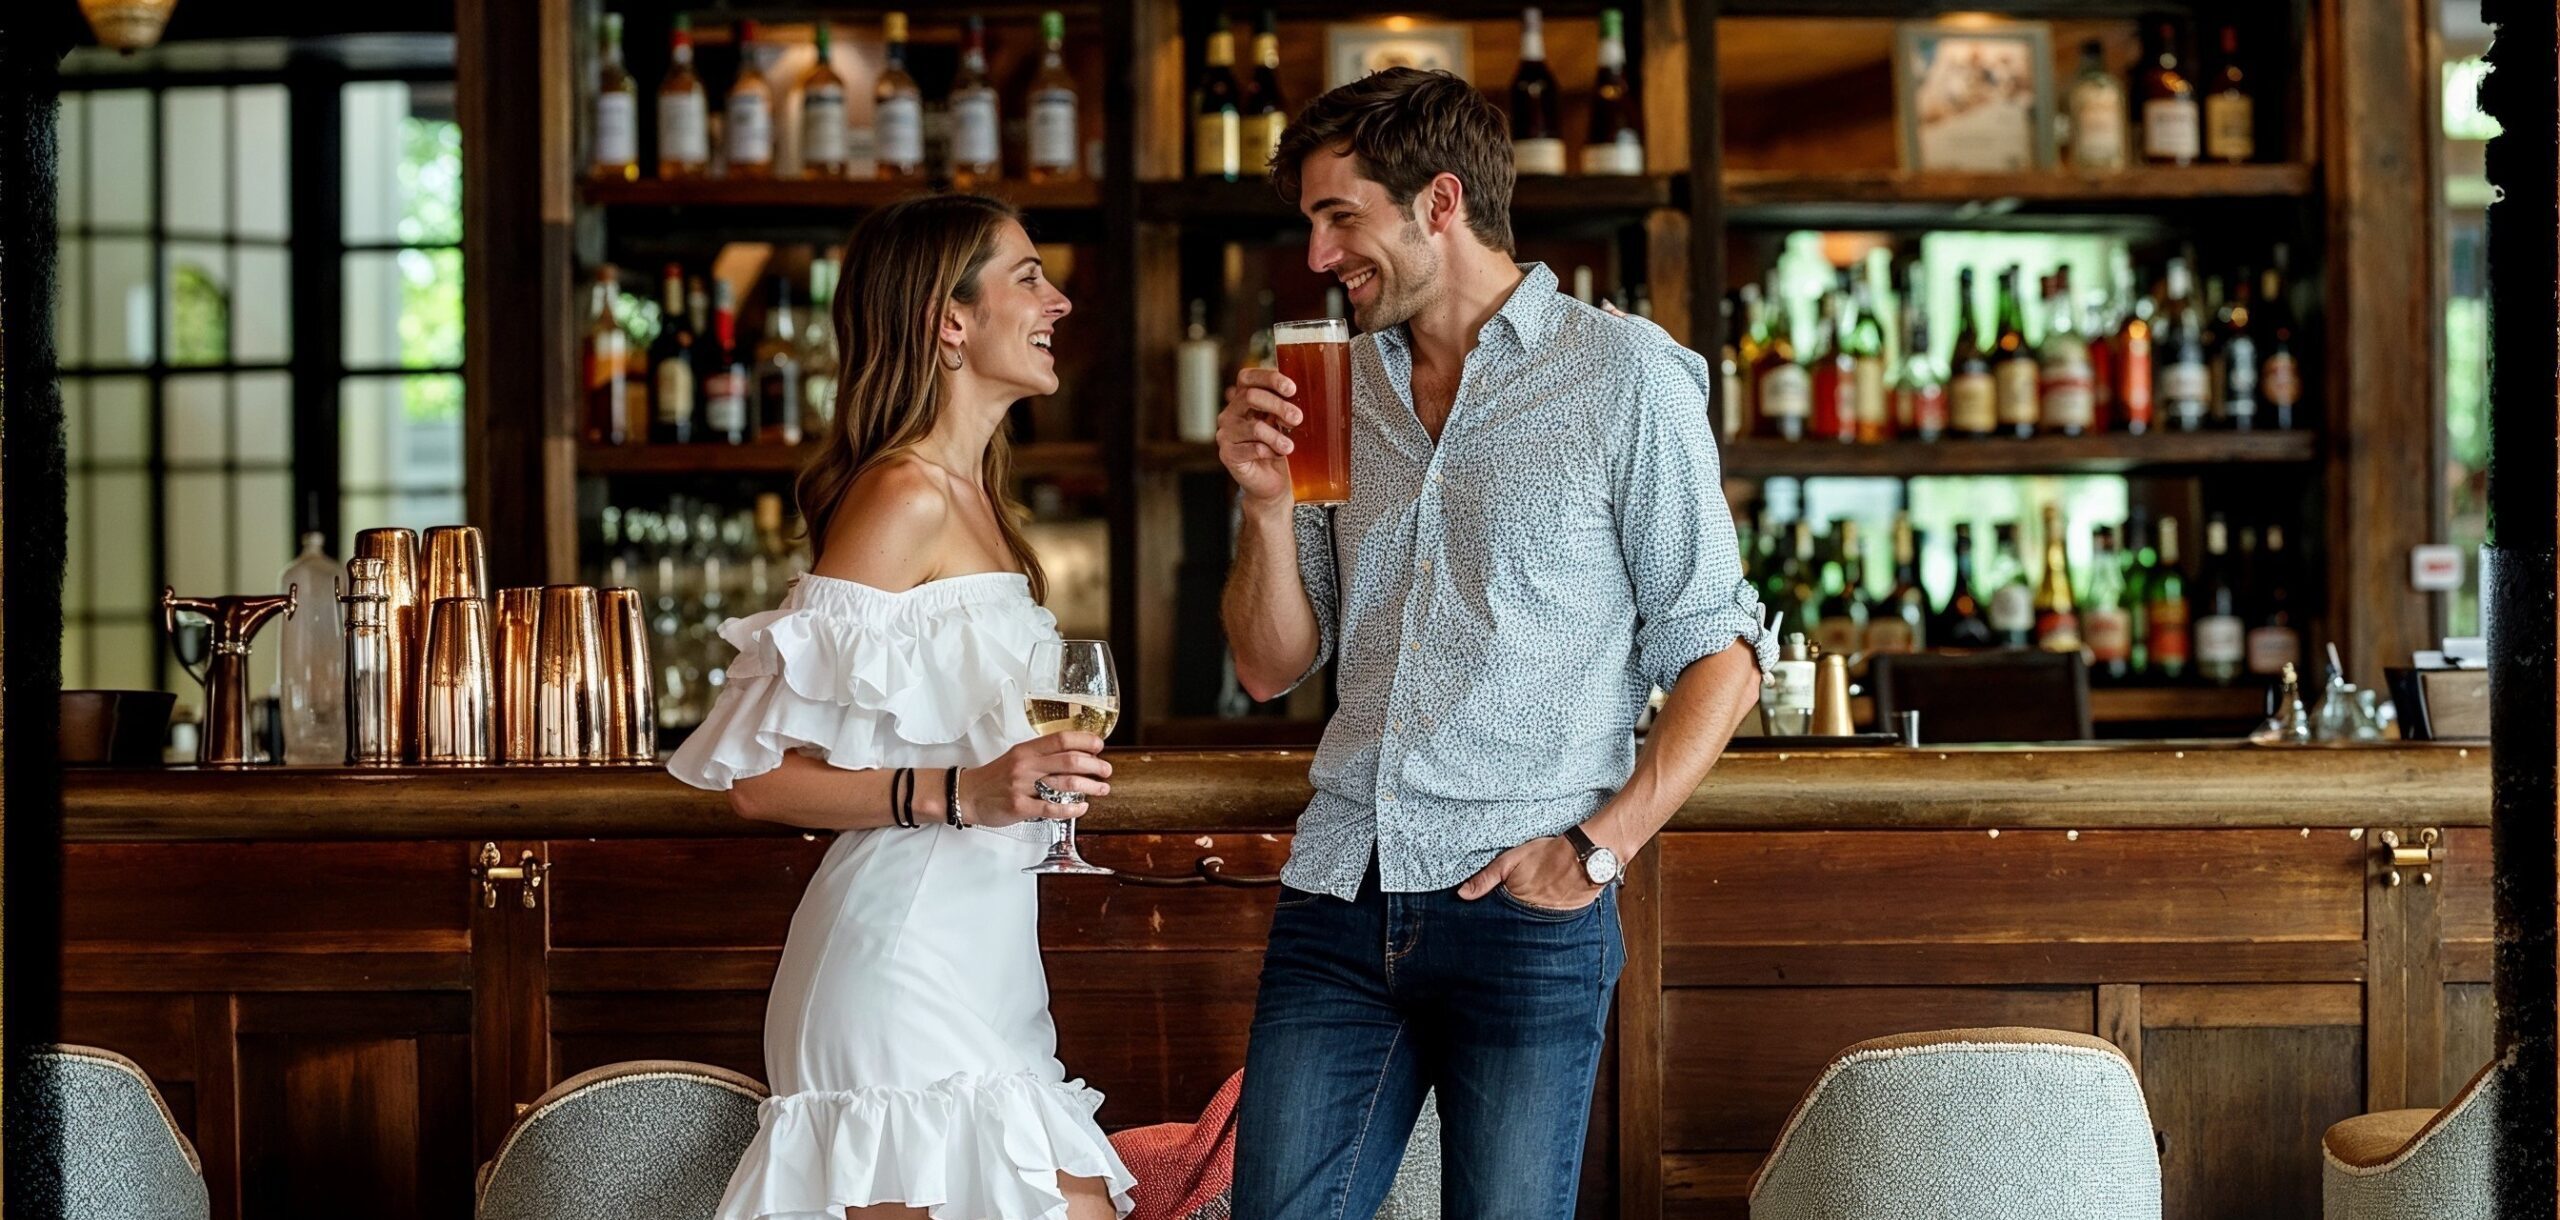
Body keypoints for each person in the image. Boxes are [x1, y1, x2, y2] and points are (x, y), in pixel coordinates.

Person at [1217, 69, 1773, 1218]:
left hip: (1522, 907)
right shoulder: (1338, 391)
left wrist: (1596, 850)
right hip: (1340, 891)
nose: (1318, 257)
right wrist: (1263, 505)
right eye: (1310, 223)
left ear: (1438, 201)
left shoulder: (1623, 376)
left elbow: (1719, 651)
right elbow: (1271, 664)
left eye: (1339, 217)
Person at [667, 195, 1135, 1220]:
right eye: (1027, 276)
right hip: (900, 968)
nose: (1058, 298)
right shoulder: (904, 495)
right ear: (948, 319)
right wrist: (966, 790)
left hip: (987, 962)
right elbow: (756, 780)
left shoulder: (981, 503)